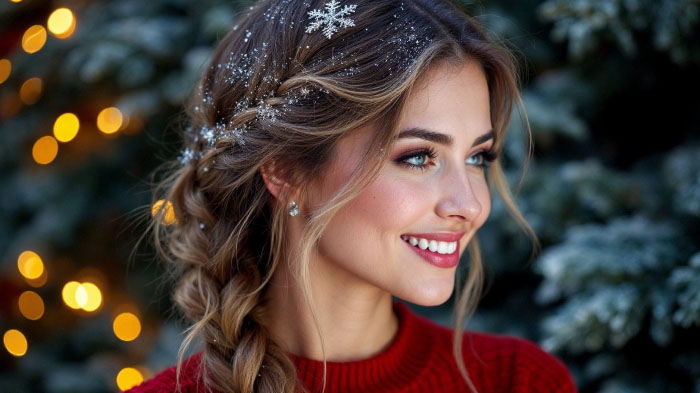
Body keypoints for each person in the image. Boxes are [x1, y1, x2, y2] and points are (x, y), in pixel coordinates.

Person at [130, 0, 578, 392]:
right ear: (284, 171)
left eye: (478, 157)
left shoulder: (520, 382)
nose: (471, 205)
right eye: (420, 157)